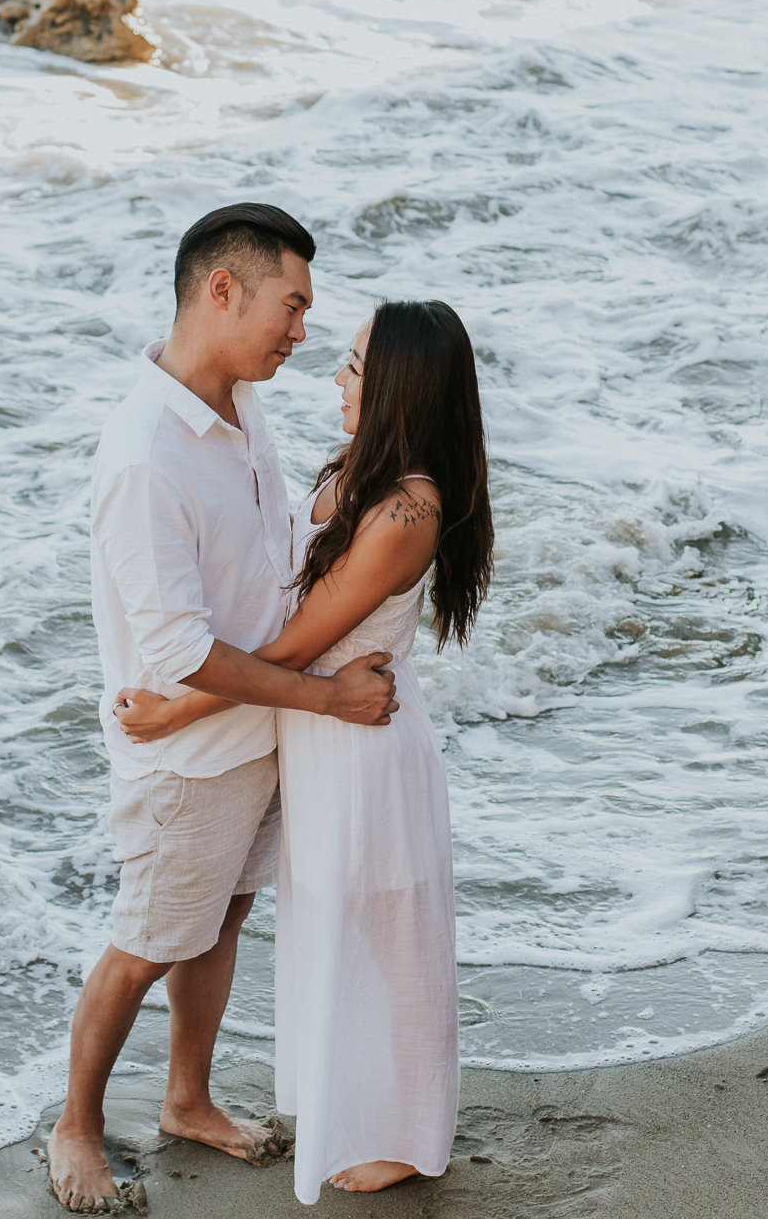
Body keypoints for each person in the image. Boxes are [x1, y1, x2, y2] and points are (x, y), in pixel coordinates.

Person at [49, 203, 403, 1216]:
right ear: (223, 290)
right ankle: (74, 1124)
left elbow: (273, 549)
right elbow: (179, 652)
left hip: (258, 731)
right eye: (291, 306)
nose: (301, 332)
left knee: (222, 916)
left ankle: (186, 1096)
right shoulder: (145, 455)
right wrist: (327, 695)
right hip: (191, 756)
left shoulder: (243, 405)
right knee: (149, 936)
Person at [118, 299, 492, 1201]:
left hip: (364, 753)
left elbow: (296, 642)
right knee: (333, 933)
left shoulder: (408, 507)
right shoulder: (359, 473)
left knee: (382, 939)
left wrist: (177, 711)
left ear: (399, 384)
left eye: (356, 367)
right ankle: (353, 1107)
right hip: (320, 739)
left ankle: (399, 1131)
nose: (336, 376)